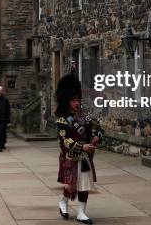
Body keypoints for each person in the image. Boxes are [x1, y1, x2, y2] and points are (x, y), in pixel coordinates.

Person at [55, 74, 103, 225]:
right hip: (70, 155)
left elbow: (99, 129)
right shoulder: (62, 119)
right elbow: (65, 140)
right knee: (72, 185)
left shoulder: (86, 116)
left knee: (85, 185)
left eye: (78, 100)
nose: (77, 103)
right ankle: (63, 201)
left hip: (85, 156)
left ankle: (81, 213)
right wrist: (82, 146)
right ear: (67, 101)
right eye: (73, 100)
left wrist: (97, 137)